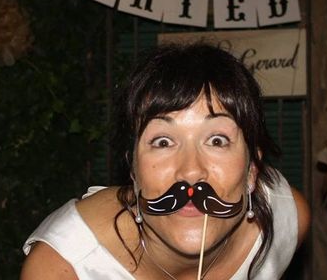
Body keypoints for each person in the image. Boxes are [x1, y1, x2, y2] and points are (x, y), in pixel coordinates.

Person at [21, 43, 310, 279]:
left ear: (252, 170)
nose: (191, 171)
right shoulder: (63, 268)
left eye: (217, 140)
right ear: (132, 170)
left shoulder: (286, 222)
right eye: (163, 142)